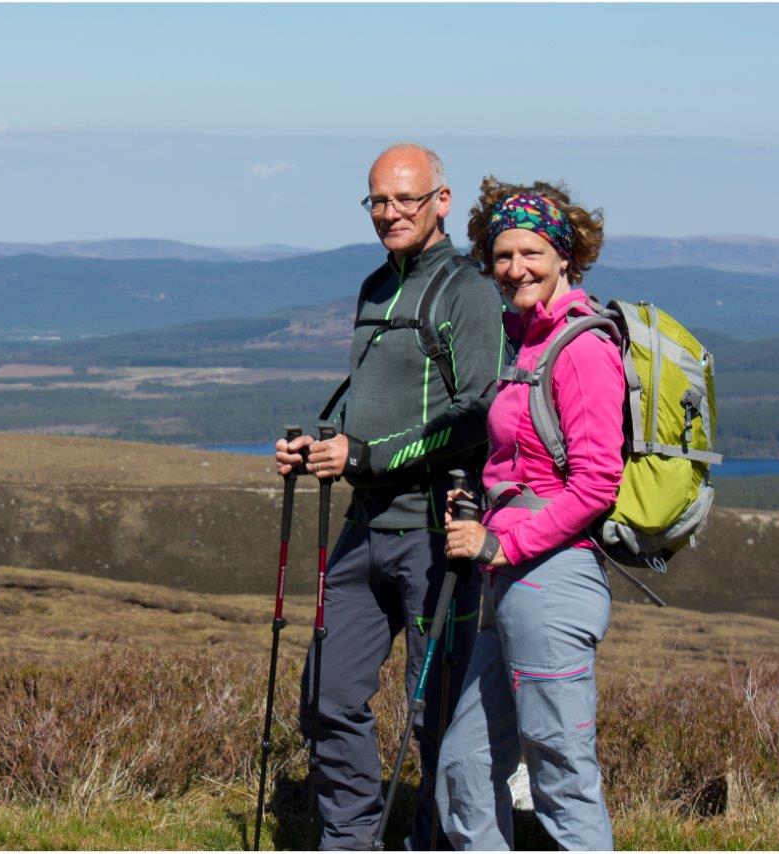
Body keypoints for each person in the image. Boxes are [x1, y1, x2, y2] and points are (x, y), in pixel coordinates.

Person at [275, 143, 505, 850]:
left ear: (442, 200)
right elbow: (374, 403)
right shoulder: (375, 286)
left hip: (437, 535)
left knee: (436, 715)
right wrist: (322, 443)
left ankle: (438, 841)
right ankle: (350, 839)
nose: (390, 212)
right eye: (378, 200)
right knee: (326, 697)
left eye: (406, 198)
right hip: (365, 524)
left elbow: (477, 414)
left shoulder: (467, 290)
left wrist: (366, 455)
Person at [434, 179, 622, 850]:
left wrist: (504, 546)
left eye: (532, 252)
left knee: (561, 775)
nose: (516, 268)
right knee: (463, 766)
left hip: (550, 581)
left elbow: (598, 483)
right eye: (502, 254)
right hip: (508, 581)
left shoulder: (581, 348)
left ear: (566, 255)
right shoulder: (526, 345)